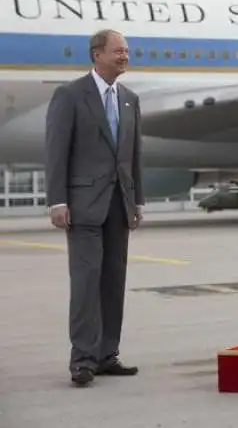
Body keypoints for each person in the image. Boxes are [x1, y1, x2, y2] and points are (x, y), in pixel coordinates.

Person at [44, 29, 143, 387]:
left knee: (113, 283)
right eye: (118, 51)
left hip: (119, 206)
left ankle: (106, 355)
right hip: (83, 206)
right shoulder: (70, 96)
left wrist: (138, 200)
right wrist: (57, 200)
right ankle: (82, 360)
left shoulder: (130, 99)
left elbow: (133, 157)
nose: (124, 56)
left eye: (127, 51)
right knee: (86, 283)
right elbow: (56, 151)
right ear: (96, 54)